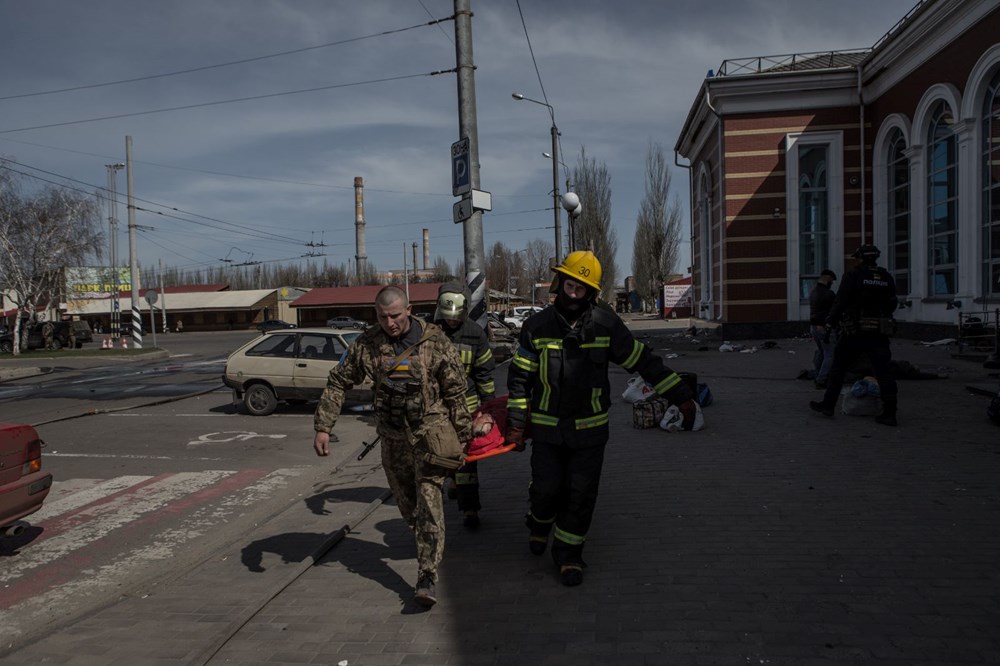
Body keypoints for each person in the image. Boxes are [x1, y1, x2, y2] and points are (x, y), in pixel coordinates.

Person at [505, 251, 699, 587]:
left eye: (582, 288)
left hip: (590, 433)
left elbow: (644, 362)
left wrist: (681, 395)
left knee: (580, 495)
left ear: (592, 292)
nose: (574, 294)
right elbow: (519, 380)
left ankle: (568, 555)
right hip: (548, 433)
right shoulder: (536, 328)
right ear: (559, 283)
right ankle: (538, 524)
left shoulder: (607, 325)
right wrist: (517, 425)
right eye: (569, 285)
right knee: (547, 490)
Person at [312, 285, 473, 608]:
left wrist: (464, 436)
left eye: (396, 316)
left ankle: (426, 574)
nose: (391, 323)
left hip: (428, 435)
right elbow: (338, 381)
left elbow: (455, 391)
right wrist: (323, 427)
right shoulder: (367, 345)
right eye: (383, 317)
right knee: (407, 504)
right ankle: (428, 538)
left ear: (409, 309)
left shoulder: (435, 342)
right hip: (392, 437)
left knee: (429, 500)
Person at [810, 244, 899, 426]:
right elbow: (892, 303)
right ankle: (890, 412)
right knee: (883, 371)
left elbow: (841, 301)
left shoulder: (854, 275)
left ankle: (828, 405)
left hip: (854, 332)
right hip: (879, 333)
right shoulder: (886, 276)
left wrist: (830, 323)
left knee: (838, 368)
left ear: (860, 258)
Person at [433, 282, 495, 530]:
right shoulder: (431, 332)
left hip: (466, 410)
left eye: (456, 317)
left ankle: (470, 510)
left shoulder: (475, 334)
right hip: (436, 410)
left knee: (468, 461)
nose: (452, 322)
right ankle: (452, 483)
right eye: (448, 317)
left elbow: (485, 374)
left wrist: (488, 408)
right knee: (441, 457)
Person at [808, 269, 837, 388]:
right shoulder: (828, 294)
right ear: (828, 279)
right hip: (825, 327)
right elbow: (835, 309)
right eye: (832, 281)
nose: (832, 283)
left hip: (814, 327)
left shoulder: (813, 292)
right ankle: (821, 380)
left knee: (821, 351)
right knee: (829, 354)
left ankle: (817, 374)